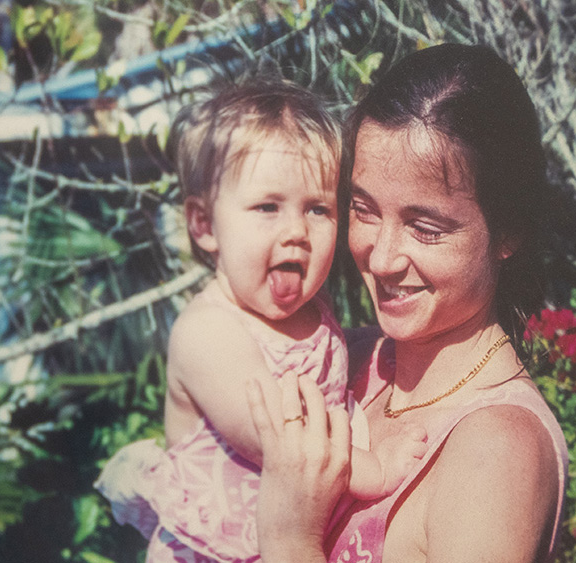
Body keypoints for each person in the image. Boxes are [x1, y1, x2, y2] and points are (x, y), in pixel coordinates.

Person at [247, 43, 570, 562]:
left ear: (507, 232)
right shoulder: (349, 359)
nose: (381, 260)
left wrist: (290, 538)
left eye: (425, 228)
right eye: (364, 210)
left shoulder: (494, 449)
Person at [94, 79, 427, 563]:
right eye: (267, 207)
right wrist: (376, 469)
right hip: (213, 551)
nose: (296, 232)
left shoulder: (313, 304)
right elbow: (286, 441)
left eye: (318, 209)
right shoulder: (209, 333)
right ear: (205, 225)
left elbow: (330, 366)